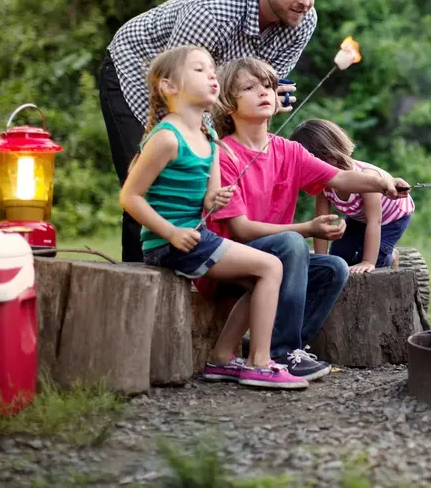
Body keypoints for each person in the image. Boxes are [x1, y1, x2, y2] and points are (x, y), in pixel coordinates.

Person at [100, 0, 324, 263]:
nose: (305, 1)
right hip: (139, 71)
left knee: (208, 187)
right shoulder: (211, 13)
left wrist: (266, 101)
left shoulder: (303, 22)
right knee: (154, 187)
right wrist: (208, 144)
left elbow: (256, 90)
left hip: (204, 90)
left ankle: (204, 276)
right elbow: (179, 92)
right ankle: (141, 283)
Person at [205, 58, 413, 379]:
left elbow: (341, 178)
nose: (263, 93)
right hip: (230, 258)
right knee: (292, 243)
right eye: (249, 88)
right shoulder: (224, 155)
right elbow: (239, 230)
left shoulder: (289, 151)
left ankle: (286, 345)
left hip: (272, 258)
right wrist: (305, 229)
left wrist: (382, 183)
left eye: (268, 87)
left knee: (333, 268)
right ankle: (282, 353)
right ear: (228, 104)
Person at [119, 46, 307, 389]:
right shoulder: (166, 137)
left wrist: (215, 199)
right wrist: (172, 232)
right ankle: (260, 363)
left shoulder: (209, 138)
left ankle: (222, 357)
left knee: (259, 278)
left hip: (194, 238)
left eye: (211, 69)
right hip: (168, 243)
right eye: (199, 69)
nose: (211, 75)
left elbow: (208, 200)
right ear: (169, 87)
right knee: (271, 267)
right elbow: (129, 197)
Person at [290, 118, 416, 273]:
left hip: (391, 218)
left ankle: (392, 255)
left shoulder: (365, 178)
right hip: (359, 218)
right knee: (339, 255)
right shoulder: (323, 183)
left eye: (324, 157)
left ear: (333, 152)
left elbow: (374, 221)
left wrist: (368, 261)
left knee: (374, 261)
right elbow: (322, 223)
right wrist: (321, 259)